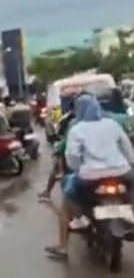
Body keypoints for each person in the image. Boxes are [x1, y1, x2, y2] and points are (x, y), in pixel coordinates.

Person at [45, 94, 134, 260]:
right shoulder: (112, 124)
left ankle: (63, 247)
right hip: (121, 172)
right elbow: (128, 149)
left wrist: (79, 169)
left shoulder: (77, 129)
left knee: (66, 205)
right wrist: (129, 165)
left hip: (90, 177)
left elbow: (72, 157)